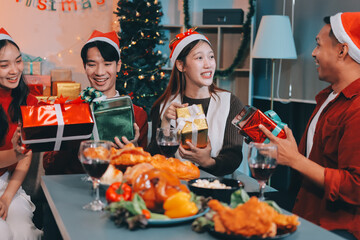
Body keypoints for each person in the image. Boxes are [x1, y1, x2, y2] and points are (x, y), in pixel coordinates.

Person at [260, 12, 360, 240]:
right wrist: (285, 150)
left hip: (334, 230)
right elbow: (313, 164)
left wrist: (295, 159)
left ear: (342, 50)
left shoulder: (357, 108)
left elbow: (356, 187)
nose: (313, 53)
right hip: (304, 214)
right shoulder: (328, 97)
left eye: (318, 45)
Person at [43, 30, 148, 175]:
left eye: (107, 64)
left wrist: (133, 151)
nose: (99, 72)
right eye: (92, 64)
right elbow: (49, 166)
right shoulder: (69, 110)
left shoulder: (137, 114)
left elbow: (142, 172)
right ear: (85, 66)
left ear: (118, 66)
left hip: (118, 190)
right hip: (74, 189)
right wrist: (72, 140)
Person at [147, 28, 243, 176]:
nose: (208, 64)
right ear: (181, 65)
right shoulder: (164, 105)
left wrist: (208, 161)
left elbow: (234, 156)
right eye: (199, 58)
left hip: (216, 189)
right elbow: (153, 158)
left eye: (211, 57)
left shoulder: (230, 103)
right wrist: (165, 123)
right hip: (176, 189)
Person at [0, 27, 43, 239]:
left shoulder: (29, 102)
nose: (15, 70)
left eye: (18, 61)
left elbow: (24, 160)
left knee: (24, 232)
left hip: (8, 182)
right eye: (4, 65)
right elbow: (20, 153)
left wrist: (7, 197)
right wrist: (17, 152)